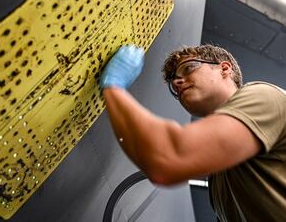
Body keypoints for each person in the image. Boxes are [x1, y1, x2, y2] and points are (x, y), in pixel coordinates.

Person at [99, 44, 286, 221]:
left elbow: (168, 158)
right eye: (174, 83)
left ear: (225, 69)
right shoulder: (218, 180)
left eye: (188, 68)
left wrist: (113, 87)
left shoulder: (264, 96)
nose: (178, 82)